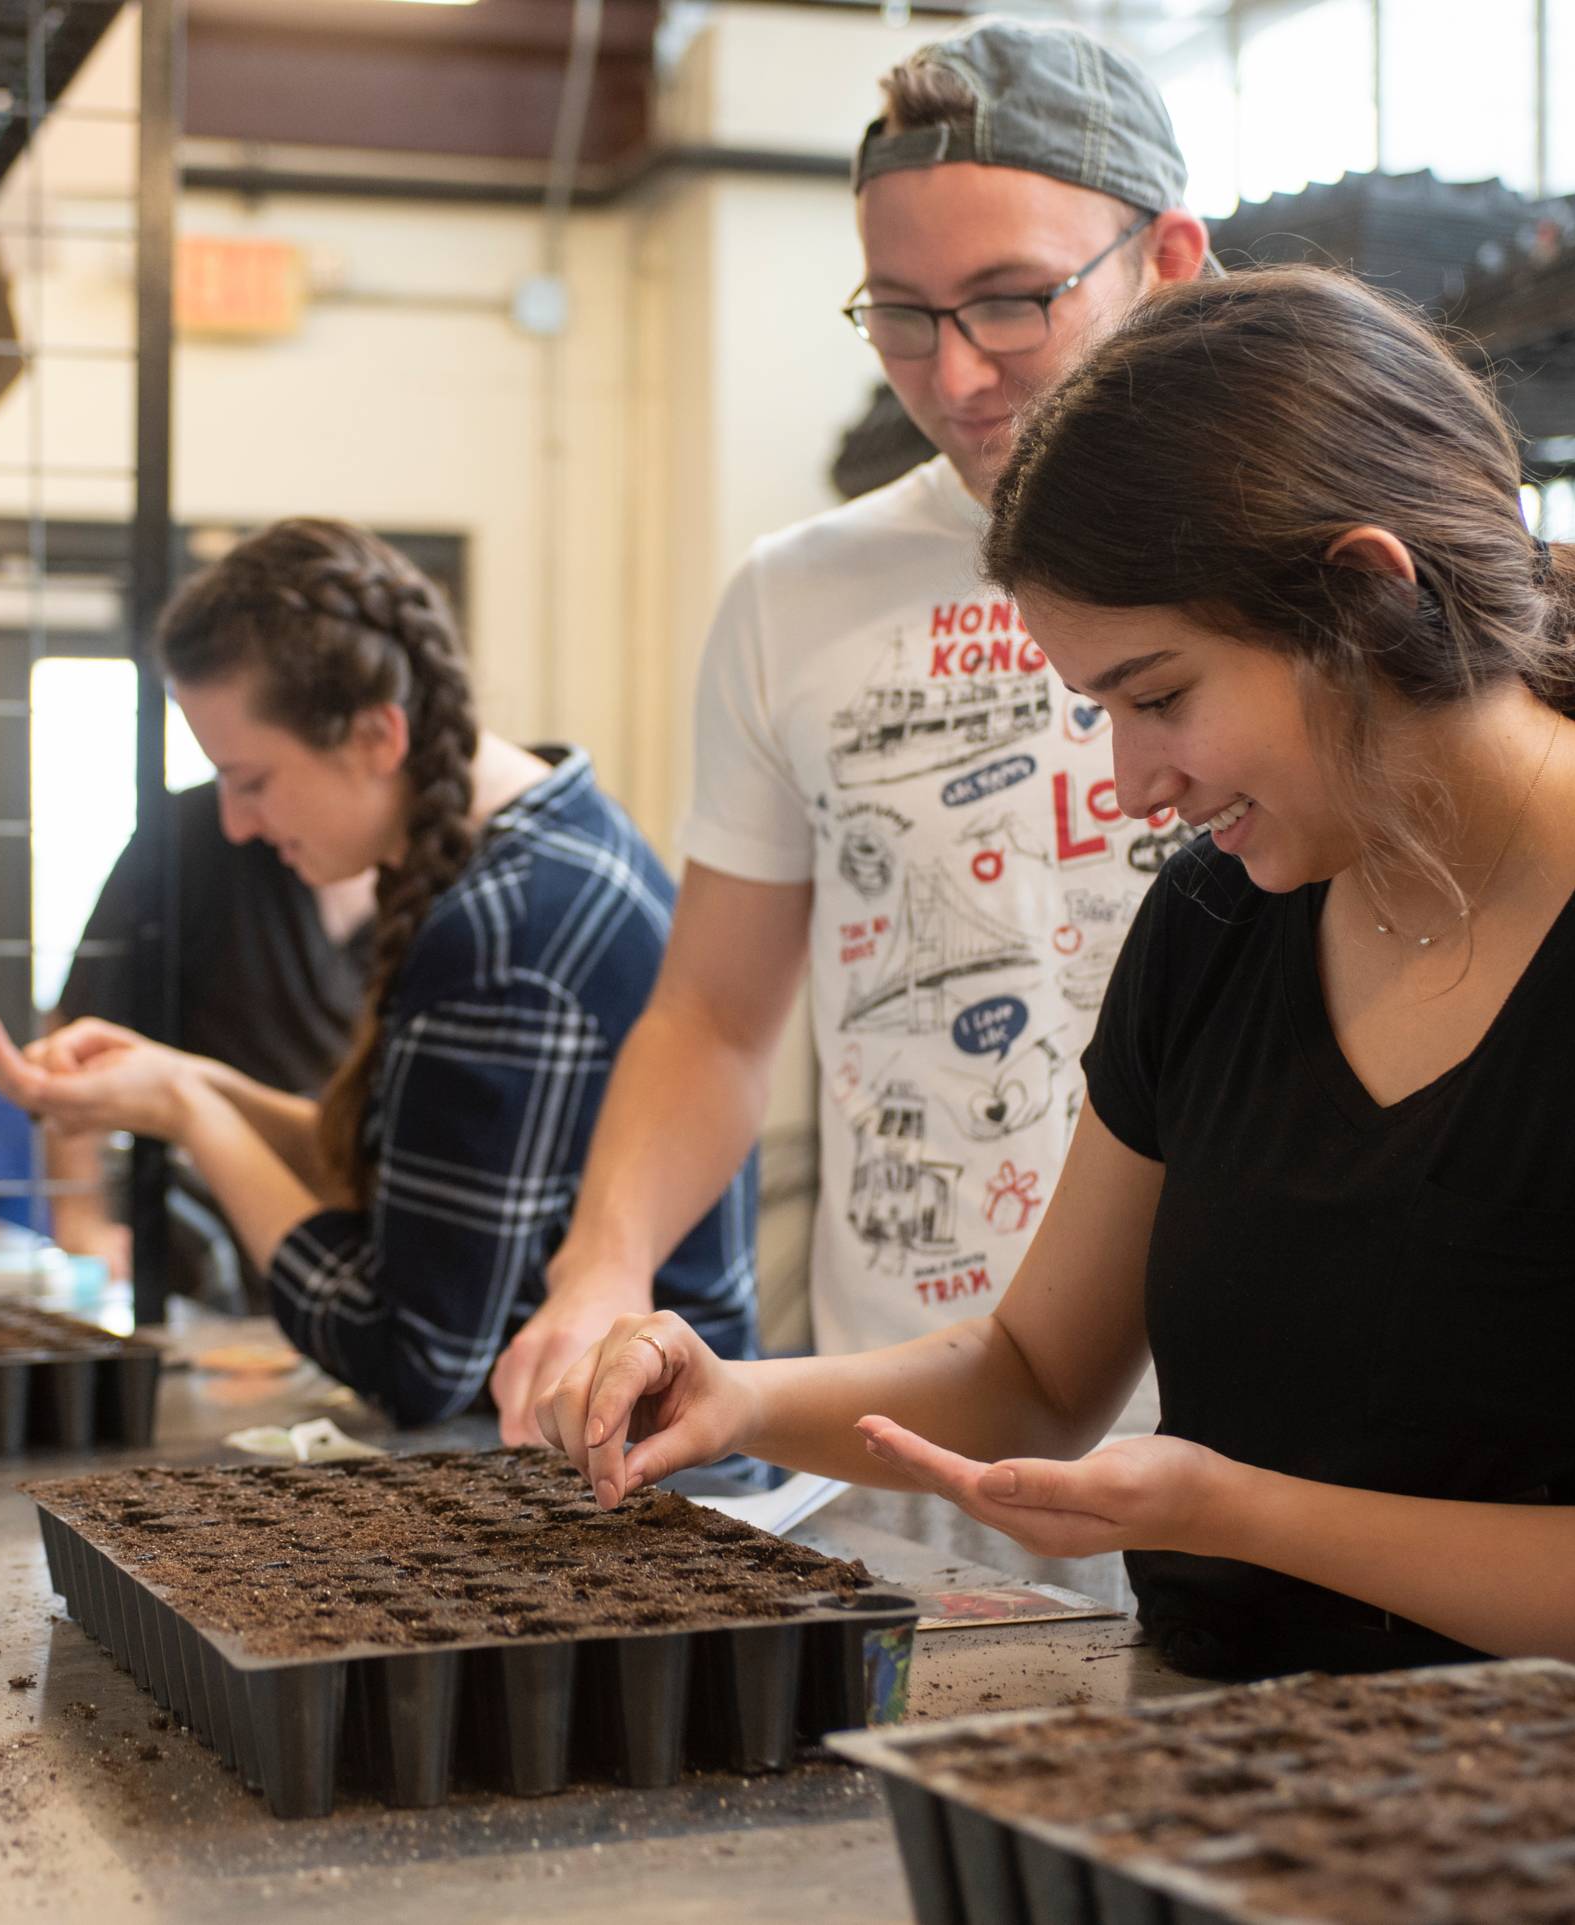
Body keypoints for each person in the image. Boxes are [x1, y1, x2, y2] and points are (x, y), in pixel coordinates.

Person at [538, 268, 1575, 1710]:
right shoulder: (1222, 917)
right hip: (1223, 1785)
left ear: (1368, 596)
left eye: (1159, 697)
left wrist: (1234, 1510)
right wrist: (743, 1401)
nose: (1131, 783)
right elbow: (1033, 1366)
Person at [492, 21, 1210, 1448]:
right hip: (909, 1442)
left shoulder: (1291, 561)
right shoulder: (794, 599)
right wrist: (603, 1264)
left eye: (1013, 302)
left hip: (1252, 1446)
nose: (953, 378)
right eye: (900, 313)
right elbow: (711, 1016)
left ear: (1169, 260)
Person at [0, 518, 759, 1426]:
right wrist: (182, 1080)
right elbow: (401, 1170)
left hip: (649, 1475)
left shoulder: (506, 932)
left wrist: (194, 1115)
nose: (233, 823)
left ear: (376, 736)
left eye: (252, 779)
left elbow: (412, 1356)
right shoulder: (555, 827)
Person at [33, 780, 373, 1287]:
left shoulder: (444, 879)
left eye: (257, 781)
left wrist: (188, 1094)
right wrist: (82, 1219)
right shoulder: (189, 836)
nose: (238, 819)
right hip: (213, 1235)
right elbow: (79, 1027)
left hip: (365, 1226)